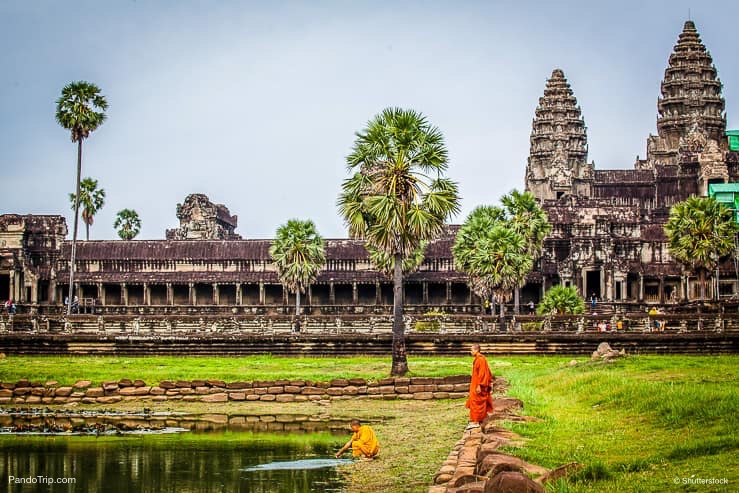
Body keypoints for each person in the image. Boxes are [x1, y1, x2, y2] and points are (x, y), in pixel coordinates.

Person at [465, 343, 493, 430]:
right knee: (474, 401)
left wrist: (480, 385)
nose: (471, 352)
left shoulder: (480, 359)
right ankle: (475, 419)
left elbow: (483, 373)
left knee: (476, 402)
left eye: (472, 350)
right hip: (475, 383)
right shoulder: (478, 359)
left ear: (476, 350)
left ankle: (476, 422)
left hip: (479, 384)